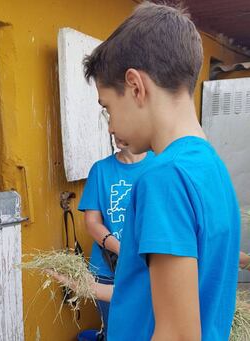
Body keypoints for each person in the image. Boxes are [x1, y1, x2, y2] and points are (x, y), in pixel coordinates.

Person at [50, 2, 241, 340]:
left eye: (107, 107)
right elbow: (151, 297)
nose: (110, 127)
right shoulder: (213, 168)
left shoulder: (163, 178)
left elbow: (178, 335)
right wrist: (87, 285)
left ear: (136, 86)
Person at [78, 136, 153, 338]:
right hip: (107, 268)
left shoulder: (159, 165)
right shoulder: (101, 170)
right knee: (116, 330)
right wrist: (123, 249)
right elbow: (92, 223)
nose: (114, 130)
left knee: (149, 328)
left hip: (149, 267)